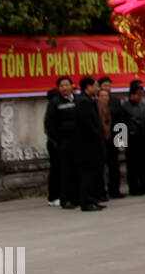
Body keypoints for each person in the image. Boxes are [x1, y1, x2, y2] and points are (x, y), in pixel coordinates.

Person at [73, 76, 108, 211]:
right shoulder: (83, 102)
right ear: (88, 87)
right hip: (88, 145)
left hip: (93, 144)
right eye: (96, 85)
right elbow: (88, 124)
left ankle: (93, 199)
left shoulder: (89, 100)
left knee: (95, 174)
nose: (97, 88)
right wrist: (98, 136)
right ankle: (86, 201)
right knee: (88, 174)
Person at [113, 80, 145, 198]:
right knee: (132, 164)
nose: (140, 97)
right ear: (131, 95)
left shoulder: (144, 104)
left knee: (144, 162)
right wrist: (120, 141)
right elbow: (121, 124)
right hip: (131, 136)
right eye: (138, 95)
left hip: (142, 135)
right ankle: (134, 188)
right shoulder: (124, 106)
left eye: (141, 95)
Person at [44, 78, 76, 207]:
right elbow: (49, 124)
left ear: (71, 86)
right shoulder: (55, 103)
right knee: (62, 170)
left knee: (75, 169)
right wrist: (58, 139)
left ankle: (76, 196)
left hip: (76, 141)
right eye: (61, 86)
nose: (64, 87)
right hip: (62, 141)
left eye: (66, 85)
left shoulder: (77, 100)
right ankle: (63, 198)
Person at [98, 77, 124, 200]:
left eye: (109, 85)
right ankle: (101, 191)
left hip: (114, 136)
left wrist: (121, 139)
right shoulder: (94, 102)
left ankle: (115, 190)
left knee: (114, 165)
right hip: (101, 138)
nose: (107, 88)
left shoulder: (115, 101)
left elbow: (120, 121)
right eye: (104, 85)